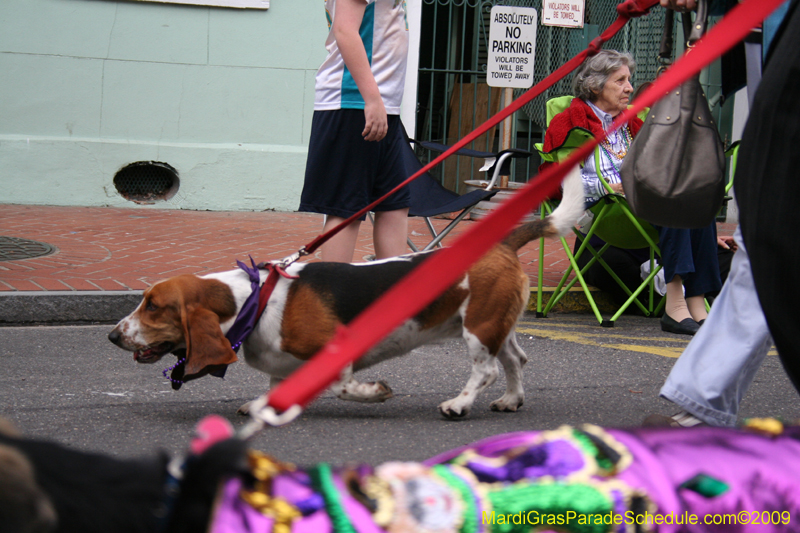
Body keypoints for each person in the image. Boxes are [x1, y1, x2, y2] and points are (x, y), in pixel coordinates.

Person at [645, 0, 798, 427]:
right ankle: (702, 400)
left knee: (767, 234)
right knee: (759, 240)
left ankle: (702, 398)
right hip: (770, 46)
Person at [543, 50, 721, 334]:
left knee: (697, 200)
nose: (629, 87)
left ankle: (697, 303)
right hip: (607, 211)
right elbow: (563, 183)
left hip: (639, 204)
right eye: (620, 81)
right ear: (595, 86)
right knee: (671, 205)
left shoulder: (632, 122)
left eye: (629, 80)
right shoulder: (570, 123)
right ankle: (675, 305)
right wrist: (607, 186)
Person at [299, 0, 411, 263]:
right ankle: (333, 290)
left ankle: (393, 287)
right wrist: (371, 99)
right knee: (345, 210)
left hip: (382, 105)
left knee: (394, 205)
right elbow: (345, 30)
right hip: (353, 103)